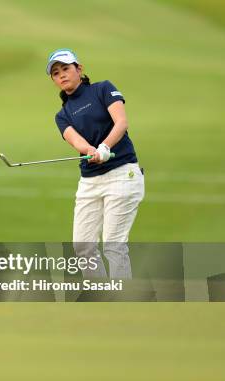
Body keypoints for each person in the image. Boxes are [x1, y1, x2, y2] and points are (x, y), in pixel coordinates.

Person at [47, 49, 144, 279]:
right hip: (90, 182)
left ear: (79, 69)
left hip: (122, 174)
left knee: (113, 245)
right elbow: (75, 140)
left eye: (66, 69)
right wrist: (90, 150)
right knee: (83, 246)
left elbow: (121, 122)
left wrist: (105, 147)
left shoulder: (102, 89)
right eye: (56, 73)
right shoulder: (62, 115)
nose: (62, 75)